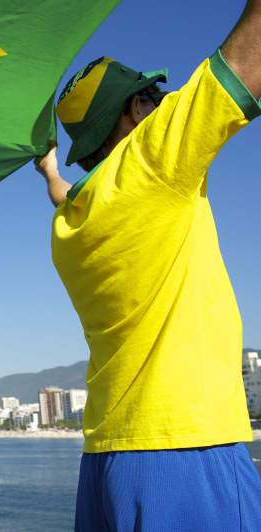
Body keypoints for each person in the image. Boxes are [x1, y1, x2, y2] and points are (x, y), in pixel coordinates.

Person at [34, 2, 261, 530]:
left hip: (107, 461)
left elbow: (62, 192)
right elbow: (245, 64)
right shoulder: (155, 162)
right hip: (188, 446)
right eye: (155, 97)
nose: (163, 105)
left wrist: (49, 170)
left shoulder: (71, 222)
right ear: (136, 109)